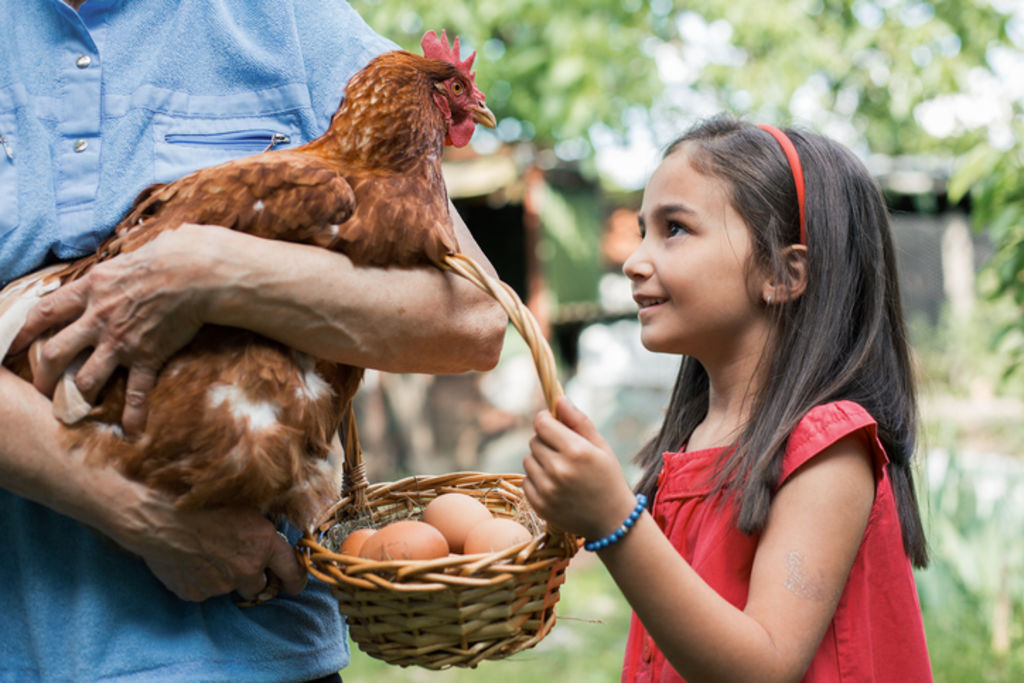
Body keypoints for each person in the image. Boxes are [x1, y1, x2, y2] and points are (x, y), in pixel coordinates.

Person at [0, 1, 505, 681]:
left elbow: (474, 318)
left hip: (254, 649)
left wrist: (205, 273)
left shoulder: (291, 22)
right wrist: (143, 514)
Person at [525, 115, 932, 681]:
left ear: (784, 273)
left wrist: (612, 520)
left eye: (674, 229)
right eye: (644, 230)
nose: (634, 261)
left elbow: (763, 666)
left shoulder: (828, 448)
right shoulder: (694, 440)